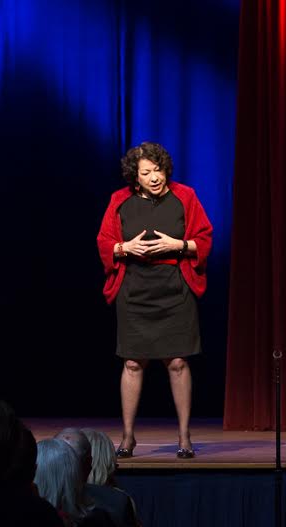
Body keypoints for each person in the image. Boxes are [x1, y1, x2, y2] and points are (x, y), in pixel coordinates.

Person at [96, 142, 213, 460]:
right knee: (132, 363)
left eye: (158, 170)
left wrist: (179, 244)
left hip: (173, 289)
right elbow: (104, 242)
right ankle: (128, 436)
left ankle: (185, 436)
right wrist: (125, 249)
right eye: (146, 172)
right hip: (135, 290)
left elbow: (204, 238)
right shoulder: (120, 201)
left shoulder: (185, 196)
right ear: (135, 176)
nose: (154, 177)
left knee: (177, 362)